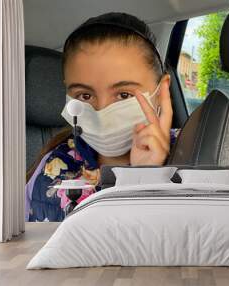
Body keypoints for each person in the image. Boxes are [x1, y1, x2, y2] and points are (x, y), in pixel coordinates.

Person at [25, 12, 180, 222]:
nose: (102, 112)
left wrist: (145, 176)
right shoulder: (51, 170)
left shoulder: (192, 158)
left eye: (124, 95)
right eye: (85, 95)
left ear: (162, 92)